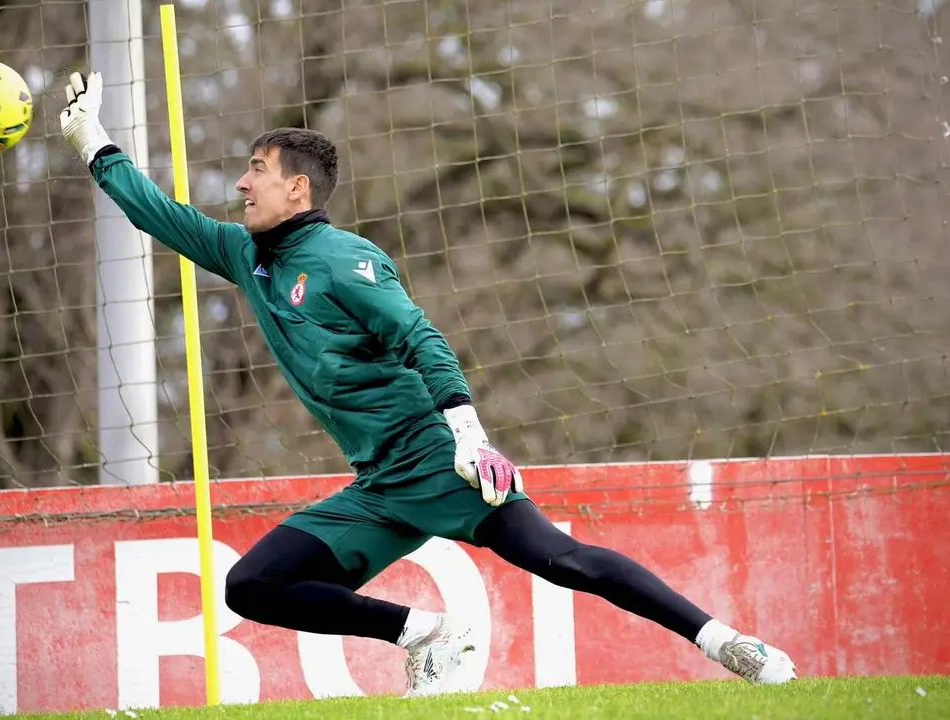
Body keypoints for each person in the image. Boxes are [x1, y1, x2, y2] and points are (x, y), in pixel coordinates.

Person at [60, 71, 797, 696]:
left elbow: (421, 337)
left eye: (255, 169)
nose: (241, 182)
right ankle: (428, 634)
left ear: (296, 187)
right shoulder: (244, 254)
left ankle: (726, 644)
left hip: (435, 458)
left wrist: (468, 438)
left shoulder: (344, 259)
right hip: (378, 483)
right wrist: (93, 141)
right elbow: (157, 214)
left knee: (562, 561)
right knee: (251, 587)